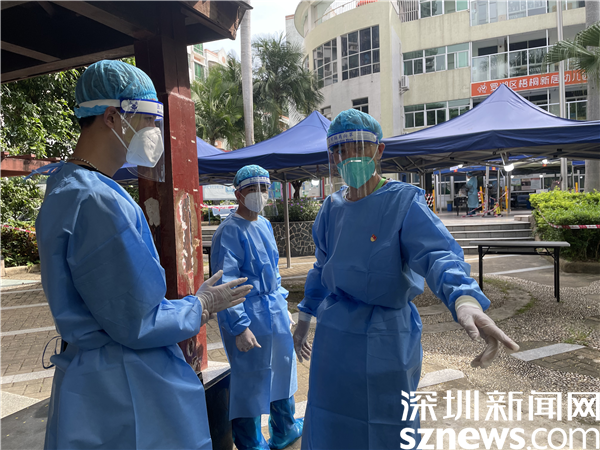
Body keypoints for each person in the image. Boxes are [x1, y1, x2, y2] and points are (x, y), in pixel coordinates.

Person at [33, 60, 253, 450]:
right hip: (124, 386)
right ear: (112, 117)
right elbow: (137, 321)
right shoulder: (98, 200)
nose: (153, 132)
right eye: (148, 119)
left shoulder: (66, 185)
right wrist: (200, 305)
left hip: (92, 381)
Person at [292, 109, 519, 449]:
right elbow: (321, 268)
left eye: (357, 148)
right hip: (335, 338)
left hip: (386, 337)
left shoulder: (402, 202)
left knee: (387, 424)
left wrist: (464, 298)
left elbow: (438, 254)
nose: (347, 157)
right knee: (330, 419)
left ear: (378, 151)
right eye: (338, 150)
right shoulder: (331, 209)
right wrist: (305, 317)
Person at [211, 165, 303, 450]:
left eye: (265, 188)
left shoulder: (264, 224)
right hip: (249, 314)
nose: (261, 194)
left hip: (273, 310)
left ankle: (285, 429)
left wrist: (283, 307)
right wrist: (239, 327)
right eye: (253, 189)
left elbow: (273, 272)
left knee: (283, 370)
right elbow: (226, 283)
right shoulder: (229, 231)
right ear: (238, 194)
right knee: (250, 380)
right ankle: (250, 441)